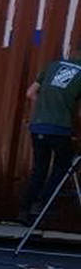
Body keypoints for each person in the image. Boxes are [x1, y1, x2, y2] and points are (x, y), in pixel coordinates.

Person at [20, 50, 81, 223]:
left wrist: (45, 108)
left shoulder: (52, 65)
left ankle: (25, 208)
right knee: (63, 166)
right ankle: (43, 203)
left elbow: (30, 93)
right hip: (60, 127)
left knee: (39, 169)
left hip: (38, 125)